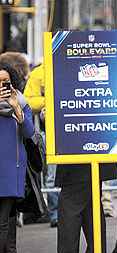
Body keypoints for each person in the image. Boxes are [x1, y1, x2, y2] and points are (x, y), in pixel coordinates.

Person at [0, 62, 34, 253]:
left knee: (4, 223)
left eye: (5, 82)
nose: (2, 86)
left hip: (11, 170)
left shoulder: (20, 102)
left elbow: (29, 133)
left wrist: (17, 110)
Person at [24, 63, 59, 227]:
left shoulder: (70, 65)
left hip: (70, 131)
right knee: (51, 176)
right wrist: (50, 100)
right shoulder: (38, 73)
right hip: (47, 134)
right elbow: (28, 101)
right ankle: (55, 214)